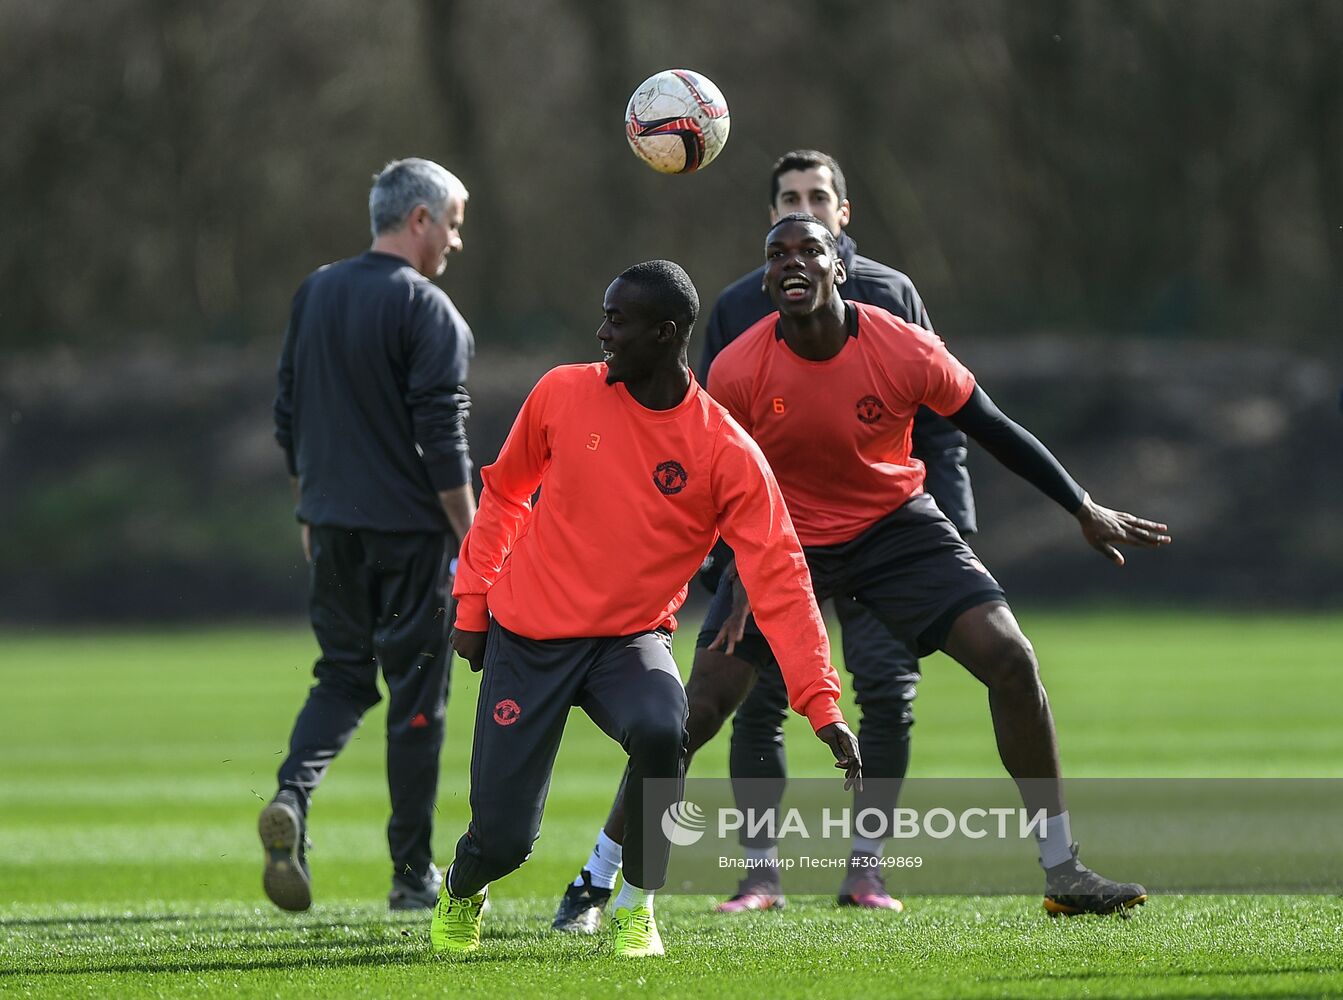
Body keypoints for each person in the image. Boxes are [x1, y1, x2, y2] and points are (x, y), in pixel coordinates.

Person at [570, 215, 1171, 925]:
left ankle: (1062, 868)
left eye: (808, 250)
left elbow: (992, 427)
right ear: (767, 282)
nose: (791, 262)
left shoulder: (902, 346)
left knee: (1011, 659)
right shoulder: (737, 368)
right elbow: (711, 480)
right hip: (781, 539)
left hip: (895, 529)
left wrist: (1080, 505)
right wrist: (731, 570)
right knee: (691, 715)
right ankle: (594, 879)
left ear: (839, 269)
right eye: (776, 254)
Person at [554, 149, 975, 927]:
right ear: (769, 221)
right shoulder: (739, 309)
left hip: (886, 534)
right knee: (736, 705)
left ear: (842, 217)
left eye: (817, 198)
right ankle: (757, 875)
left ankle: (865, 870)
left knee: (884, 697)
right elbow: (709, 440)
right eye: (788, 200)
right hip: (775, 547)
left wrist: (951, 524)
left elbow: (944, 422)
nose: (802, 209)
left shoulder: (892, 298)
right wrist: (720, 560)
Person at [428, 260, 861, 959]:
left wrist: (821, 703)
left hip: (626, 642)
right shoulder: (561, 393)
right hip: (528, 636)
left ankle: (635, 906)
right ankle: (464, 889)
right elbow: (505, 495)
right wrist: (473, 606)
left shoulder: (724, 450)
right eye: (603, 316)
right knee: (504, 841)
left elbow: (780, 578)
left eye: (616, 321)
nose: (601, 333)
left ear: (664, 335)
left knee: (667, 729)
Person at [263, 158, 477, 913]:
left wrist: (308, 510)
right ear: (418, 218)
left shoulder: (315, 291)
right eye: (452, 221)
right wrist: (475, 538)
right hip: (412, 541)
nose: (455, 240)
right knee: (418, 699)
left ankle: (293, 793)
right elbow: (441, 439)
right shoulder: (430, 312)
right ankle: (412, 875)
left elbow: (287, 415)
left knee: (343, 679)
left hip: (332, 529)